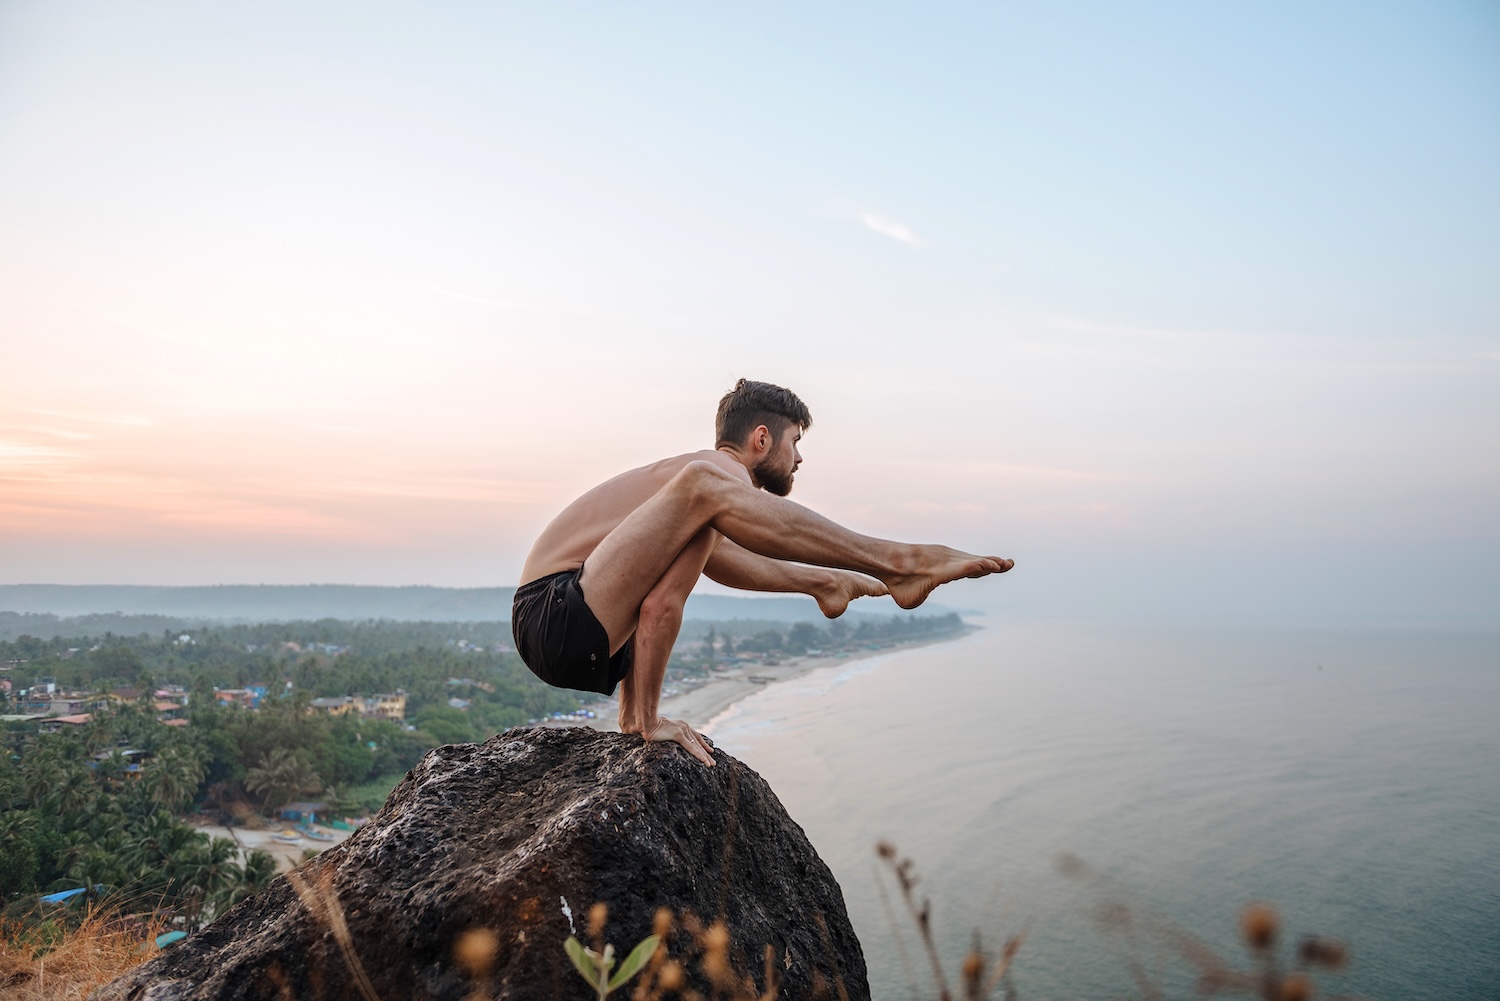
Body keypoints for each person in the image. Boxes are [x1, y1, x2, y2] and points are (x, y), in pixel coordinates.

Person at [512, 379, 1013, 766]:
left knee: (708, 513)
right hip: (554, 611)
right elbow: (660, 607)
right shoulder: (713, 473)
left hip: (568, 630)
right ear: (760, 437)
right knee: (704, 486)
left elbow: (721, 566)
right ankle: (902, 562)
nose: (799, 457)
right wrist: (649, 722)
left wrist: (818, 580)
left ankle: (836, 580)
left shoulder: (692, 505)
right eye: (794, 441)